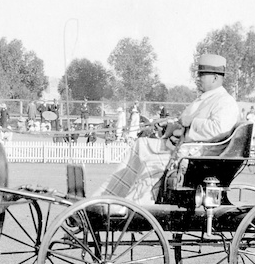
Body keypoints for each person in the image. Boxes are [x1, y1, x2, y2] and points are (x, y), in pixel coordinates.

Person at [92, 53, 240, 204]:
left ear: (215, 78)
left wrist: (191, 121)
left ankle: (129, 207)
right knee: (140, 145)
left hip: (193, 157)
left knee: (150, 162)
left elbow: (218, 129)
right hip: (181, 149)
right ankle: (104, 198)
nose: (197, 78)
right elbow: (184, 125)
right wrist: (168, 127)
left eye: (202, 74)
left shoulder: (225, 102)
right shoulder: (206, 98)